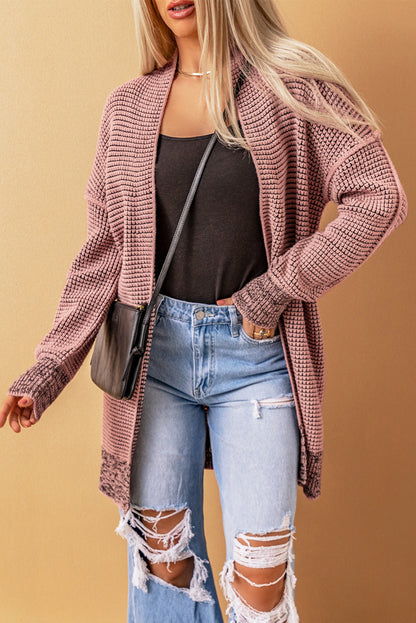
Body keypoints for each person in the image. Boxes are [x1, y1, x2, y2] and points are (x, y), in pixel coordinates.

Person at [0, 1, 408, 621]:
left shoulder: (293, 90)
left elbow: (379, 198)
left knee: (262, 581)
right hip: (154, 364)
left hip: (257, 358)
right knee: (164, 565)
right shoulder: (128, 108)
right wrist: (46, 371)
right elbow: (103, 254)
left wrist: (274, 290)